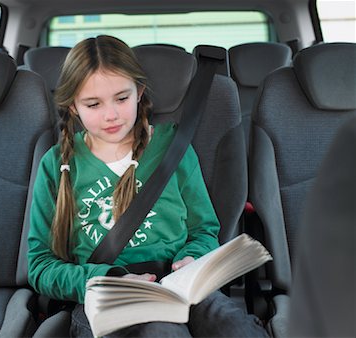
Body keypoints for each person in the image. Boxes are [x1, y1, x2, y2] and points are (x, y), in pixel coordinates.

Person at [27, 35, 268, 337]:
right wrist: (105, 279)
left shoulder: (174, 149)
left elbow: (203, 229)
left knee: (233, 324)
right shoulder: (57, 164)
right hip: (106, 295)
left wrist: (192, 259)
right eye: (93, 104)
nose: (111, 114)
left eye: (122, 98)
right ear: (73, 107)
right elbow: (40, 266)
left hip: (180, 285)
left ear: (139, 92)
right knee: (162, 331)